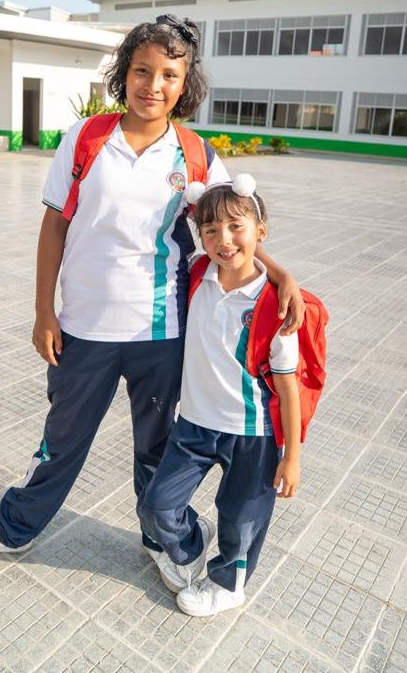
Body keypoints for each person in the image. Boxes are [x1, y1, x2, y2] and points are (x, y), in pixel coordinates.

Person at [0, 16, 304, 577]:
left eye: (169, 74)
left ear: (184, 85)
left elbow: (234, 225)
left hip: (161, 335)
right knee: (60, 445)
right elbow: (54, 228)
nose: (153, 85)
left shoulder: (197, 156)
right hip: (84, 328)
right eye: (142, 70)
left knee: (157, 455)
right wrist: (44, 311)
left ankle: (165, 542)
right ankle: (15, 530)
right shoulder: (85, 139)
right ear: (124, 73)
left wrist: (278, 273)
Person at [137, 177, 300, 617]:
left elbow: (288, 386)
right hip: (193, 423)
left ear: (260, 231)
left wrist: (292, 456)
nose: (223, 240)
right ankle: (191, 541)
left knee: (241, 516)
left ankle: (230, 584)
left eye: (236, 227)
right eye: (210, 230)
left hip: (254, 433)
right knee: (156, 506)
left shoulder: (275, 305)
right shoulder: (196, 273)